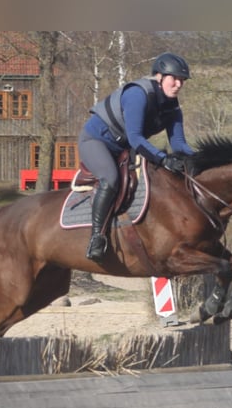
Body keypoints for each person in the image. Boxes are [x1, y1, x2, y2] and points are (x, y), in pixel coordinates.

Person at [79, 52, 195, 261]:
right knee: (110, 179)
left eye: (182, 80)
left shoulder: (173, 107)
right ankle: (97, 237)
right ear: (159, 77)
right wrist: (163, 158)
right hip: (96, 141)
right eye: (174, 78)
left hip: (124, 148)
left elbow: (179, 144)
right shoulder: (138, 94)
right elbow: (135, 138)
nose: (178, 84)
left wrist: (202, 160)